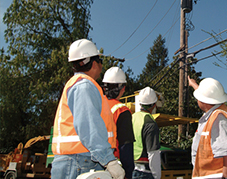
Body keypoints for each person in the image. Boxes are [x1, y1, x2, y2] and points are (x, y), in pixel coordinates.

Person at [51, 39, 125, 179]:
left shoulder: (77, 84)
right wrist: (109, 160)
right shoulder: (84, 86)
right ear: (95, 64)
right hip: (81, 161)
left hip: (75, 160)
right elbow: (89, 126)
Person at [188, 76, 227, 179]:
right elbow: (207, 95)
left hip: (216, 175)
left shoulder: (218, 118)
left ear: (203, 101)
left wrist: (226, 176)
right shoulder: (214, 111)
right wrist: (193, 84)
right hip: (209, 174)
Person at [103, 67, 135, 179]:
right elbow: (125, 147)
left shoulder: (96, 105)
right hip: (113, 168)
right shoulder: (121, 110)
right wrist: (128, 172)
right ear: (123, 88)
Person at [132, 87, 161, 179]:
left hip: (130, 170)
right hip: (144, 173)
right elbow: (153, 153)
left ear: (140, 103)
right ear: (154, 105)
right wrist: (156, 175)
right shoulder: (150, 123)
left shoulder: (131, 117)